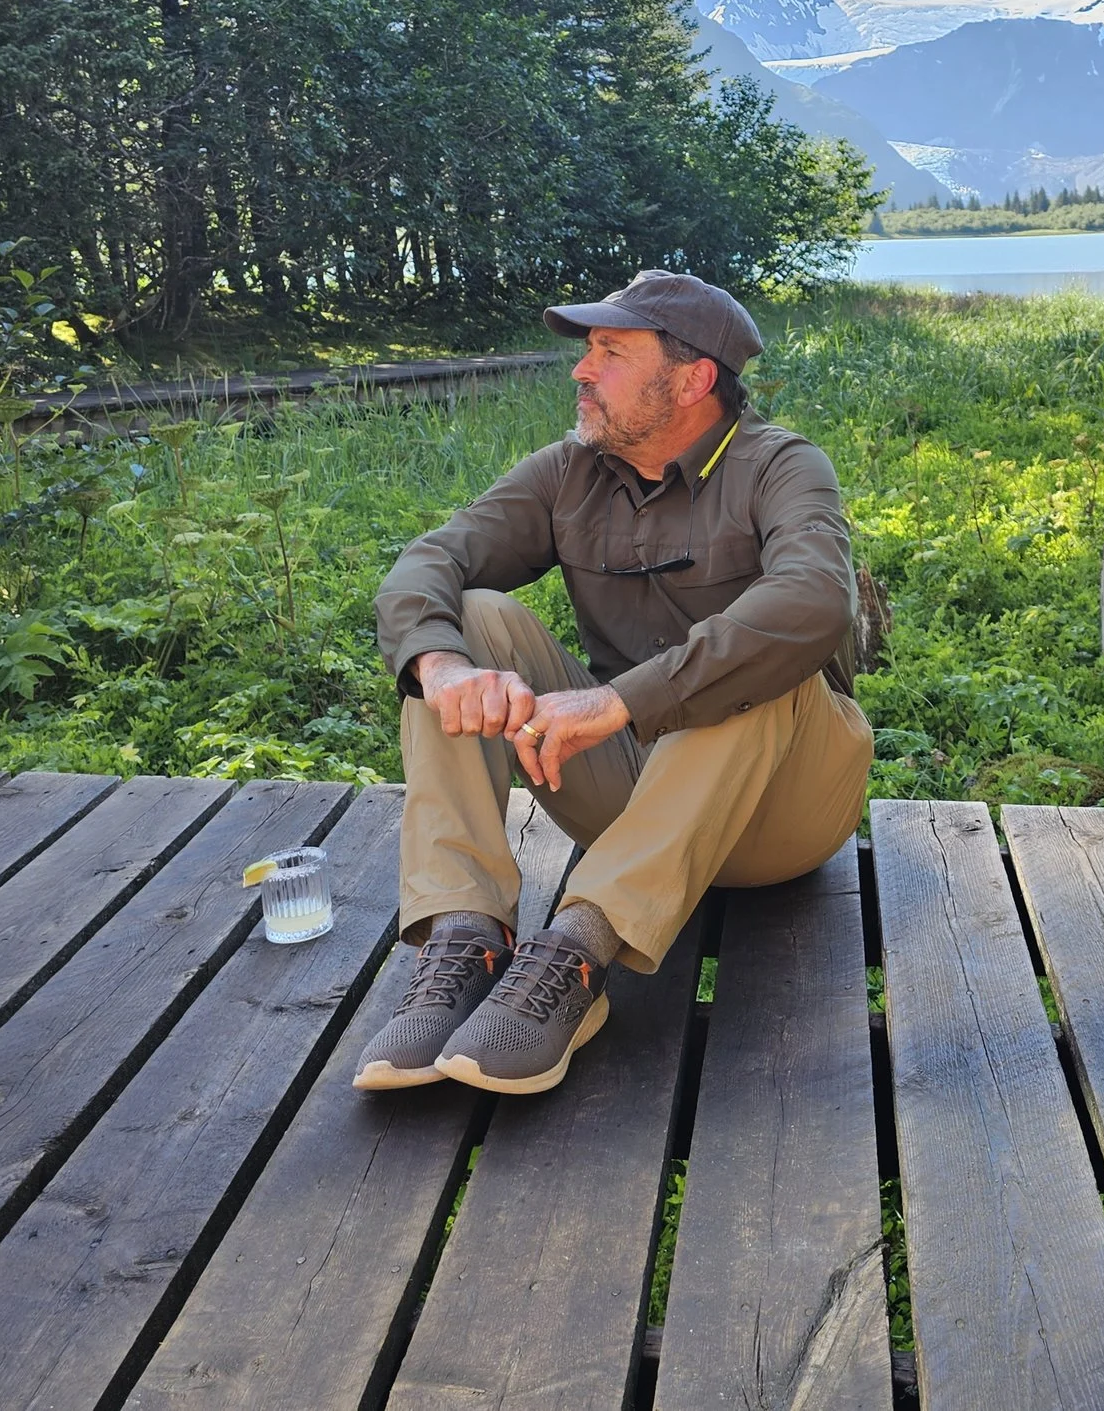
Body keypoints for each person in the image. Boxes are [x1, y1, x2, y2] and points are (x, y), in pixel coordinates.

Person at [355, 269, 872, 1095]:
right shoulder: (570, 471)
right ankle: (465, 933)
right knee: (471, 616)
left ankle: (576, 952)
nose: (581, 370)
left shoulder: (782, 465)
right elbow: (432, 558)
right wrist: (444, 665)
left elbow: (814, 601)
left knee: (760, 652)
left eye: (611, 351)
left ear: (694, 377)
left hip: (783, 810)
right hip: (636, 796)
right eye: (588, 349)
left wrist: (623, 698)